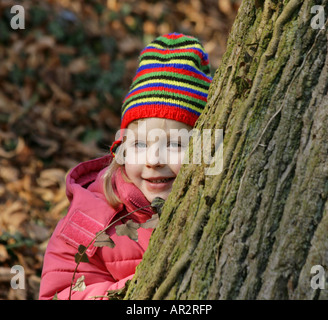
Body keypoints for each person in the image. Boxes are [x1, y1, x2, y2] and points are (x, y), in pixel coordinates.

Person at [39, 33, 212, 300]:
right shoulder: (92, 220)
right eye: (140, 145)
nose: (154, 160)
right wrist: (133, 291)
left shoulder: (217, 200)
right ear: (120, 150)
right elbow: (59, 293)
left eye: (175, 145)